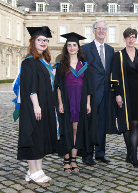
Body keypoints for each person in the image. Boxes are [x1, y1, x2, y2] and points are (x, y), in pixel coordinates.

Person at [16, 26, 57, 182]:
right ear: (33, 42)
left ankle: (36, 170)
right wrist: (36, 105)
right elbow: (30, 86)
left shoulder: (43, 61)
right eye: (39, 40)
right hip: (34, 106)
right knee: (33, 136)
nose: (43, 42)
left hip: (44, 105)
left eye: (45, 40)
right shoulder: (29, 62)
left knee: (40, 137)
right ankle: (33, 171)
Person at [54, 32, 98, 173]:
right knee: (66, 130)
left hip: (80, 101)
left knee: (76, 131)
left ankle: (73, 160)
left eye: (74, 45)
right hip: (66, 102)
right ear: (66, 47)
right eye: (69, 45)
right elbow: (58, 86)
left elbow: (89, 87)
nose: (72, 48)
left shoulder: (85, 66)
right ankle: (66, 161)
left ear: (78, 47)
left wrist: (88, 103)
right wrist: (60, 103)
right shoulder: (61, 65)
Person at [110, 27, 138, 168]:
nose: (131, 39)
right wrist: (117, 95)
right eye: (128, 37)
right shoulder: (118, 56)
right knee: (126, 125)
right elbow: (114, 76)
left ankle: (134, 156)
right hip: (124, 94)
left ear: (136, 38)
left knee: (135, 124)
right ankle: (129, 152)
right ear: (124, 39)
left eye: (133, 37)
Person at [81, 19, 114, 165]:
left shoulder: (110, 50)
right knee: (89, 124)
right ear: (93, 30)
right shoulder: (85, 49)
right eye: (98, 28)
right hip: (91, 93)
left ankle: (100, 153)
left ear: (106, 31)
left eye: (104, 29)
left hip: (106, 93)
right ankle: (87, 154)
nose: (101, 31)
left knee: (102, 124)